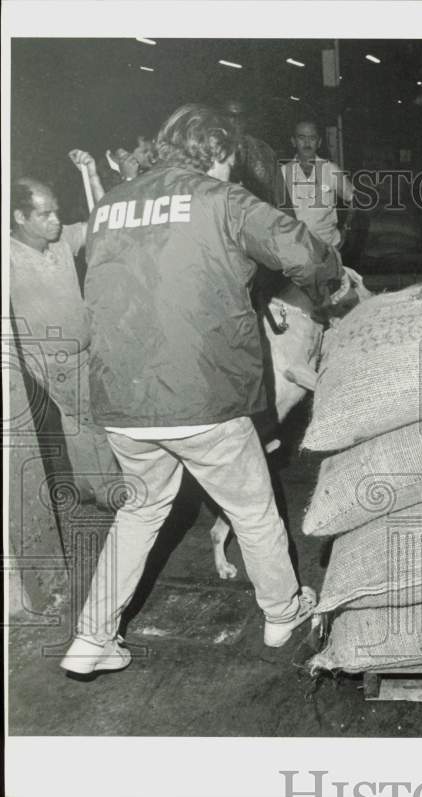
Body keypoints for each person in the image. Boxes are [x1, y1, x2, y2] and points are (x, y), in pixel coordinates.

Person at [60, 104, 342, 676]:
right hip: (202, 398)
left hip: (123, 400)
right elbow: (307, 254)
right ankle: (282, 611)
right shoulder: (222, 201)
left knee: (139, 514)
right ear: (214, 149)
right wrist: (328, 282)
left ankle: (91, 639)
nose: (232, 171)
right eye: (230, 160)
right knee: (254, 509)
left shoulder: (113, 204)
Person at [9, 161, 121, 508]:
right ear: (20, 217)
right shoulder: (9, 257)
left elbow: (105, 222)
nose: (56, 220)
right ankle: (109, 492)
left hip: (79, 353)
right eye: (45, 214)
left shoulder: (60, 241)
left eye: (56, 211)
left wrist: (91, 175)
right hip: (51, 358)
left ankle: (86, 483)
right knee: (93, 419)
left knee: (76, 421)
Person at [281, 119, 355, 251]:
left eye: (312, 138)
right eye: (301, 138)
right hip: (295, 251)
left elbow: (354, 199)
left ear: (319, 142)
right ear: (293, 141)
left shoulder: (331, 169)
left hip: (329, 248)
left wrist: (346, 229)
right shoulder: (282, 173)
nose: (307, 143)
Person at [222, 97, 283, 206]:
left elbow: (280, 196)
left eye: (242, 116)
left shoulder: (263, 151)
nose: (237, 121)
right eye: (231, 116)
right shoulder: (213, 151)